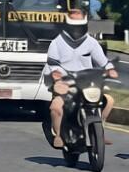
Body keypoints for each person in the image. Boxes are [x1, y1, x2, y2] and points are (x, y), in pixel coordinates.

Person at [43, 8, 117, 149]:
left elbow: (103, 61)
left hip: (87, 83)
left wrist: (110, 69)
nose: (76, 30)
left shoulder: (92, 43)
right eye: (73, 26)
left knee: (109, 100)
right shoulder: (56, 43)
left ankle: (99, 131)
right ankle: (58, 135)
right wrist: (57, 78)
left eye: (79, 26)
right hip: (66, 85)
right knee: (56, 107)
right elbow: (52, 65)